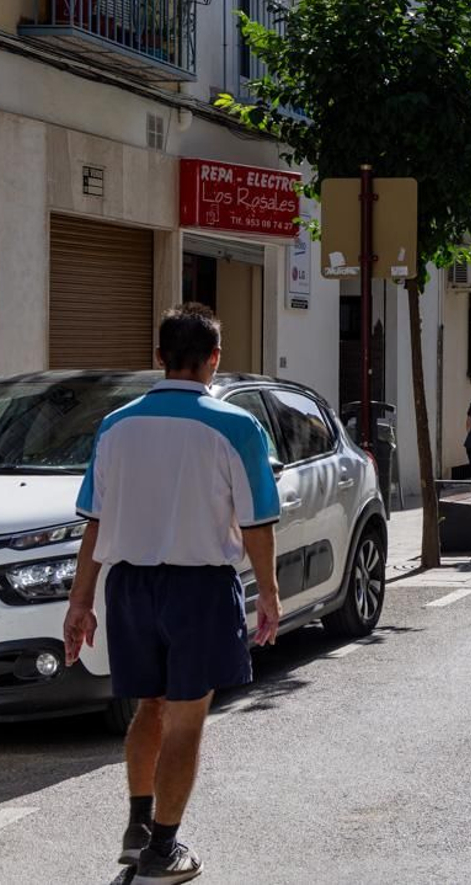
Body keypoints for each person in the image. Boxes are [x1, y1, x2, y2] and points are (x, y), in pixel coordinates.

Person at [63, 304, 281, 885]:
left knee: (149, 707)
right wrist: (269, 593)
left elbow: (94, 522)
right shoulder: (238, 426)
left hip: (129, 587)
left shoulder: (115, 425)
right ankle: (163, 850)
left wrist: (79, 602)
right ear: (215, 359)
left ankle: (138, 828)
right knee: (186, 719)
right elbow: (257, 523)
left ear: (158, 357)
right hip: (199, 588)